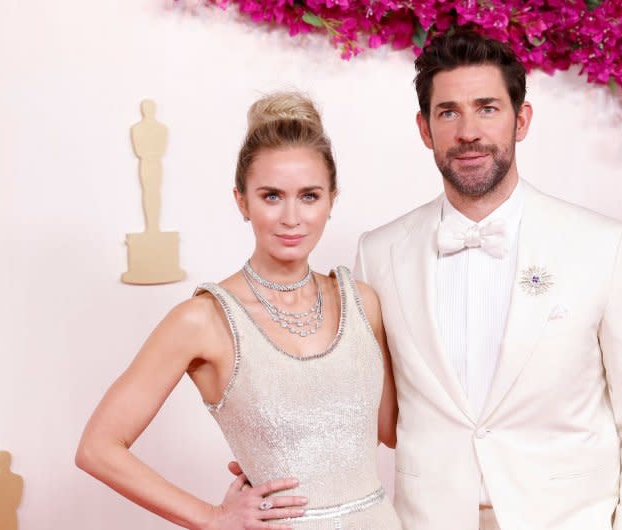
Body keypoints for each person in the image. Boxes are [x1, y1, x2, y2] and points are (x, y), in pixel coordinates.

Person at [354, 30, 622, 530]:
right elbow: (371, 412)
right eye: (448, 112)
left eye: (487, 108)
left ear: (520, 120)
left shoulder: (603, 246)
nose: (467, 132)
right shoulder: (377, 253)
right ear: (424, 129)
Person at [76, 92, 402, 530]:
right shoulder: (203, 321)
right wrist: (212, 518)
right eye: (271, 196)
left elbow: (393, 430)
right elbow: (98, 447)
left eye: (309, 196)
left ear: (331, 199)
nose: (292, 217)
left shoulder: (363, 302)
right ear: (242, 201)